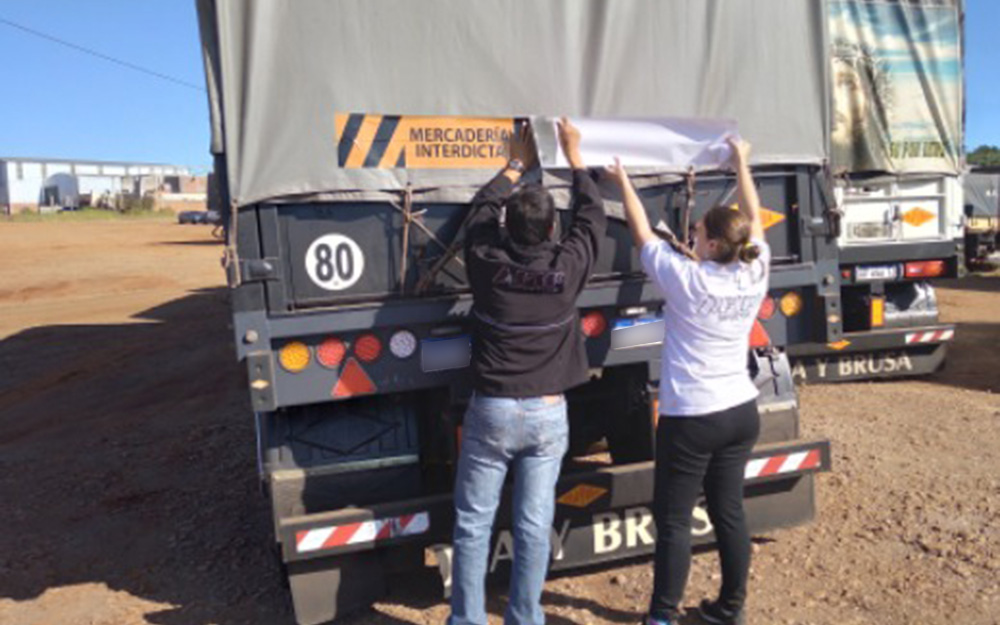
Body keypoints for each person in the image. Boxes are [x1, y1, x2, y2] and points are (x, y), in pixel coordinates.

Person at [447, 118, 606, 625]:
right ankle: (525, 617)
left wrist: (515, 164)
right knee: (534, 524)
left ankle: (467, 620)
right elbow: (593, 218)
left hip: (491, 411)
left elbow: (478, 214)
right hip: (546, 413)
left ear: (505, 228)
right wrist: (576, 157)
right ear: (553, 230)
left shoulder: (486, 263)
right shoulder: (567, 270)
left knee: (473, 524)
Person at [607, 137, 769, 625]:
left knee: (675, 521)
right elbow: (754, 216)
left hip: (693, 417)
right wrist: (742, 163)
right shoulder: (754, 268)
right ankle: (731, 608)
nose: (692, 239)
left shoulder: (687, 280)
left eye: (698, 234)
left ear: (715, 245)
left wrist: (621, 181)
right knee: (729, 511)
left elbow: (642, 233)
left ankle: (662, 616)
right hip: (740, 410)